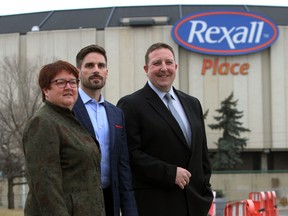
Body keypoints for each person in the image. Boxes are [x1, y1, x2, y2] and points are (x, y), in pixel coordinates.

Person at [117, 42, 213, 216]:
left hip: (194, 205)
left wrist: (205, 191)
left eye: (168, 63)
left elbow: (202, 154)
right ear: (146, 69)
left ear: (175, 67)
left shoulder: (192, 104)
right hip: (156, 204)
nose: (164, 68)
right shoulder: (131, 104)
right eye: (156, 63)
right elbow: (130, 154)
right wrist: (170, 173)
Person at [22, 60, 105, 216]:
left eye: (73, 82)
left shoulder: (69, 120)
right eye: (61, 82)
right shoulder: (43, 122)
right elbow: (46, 186)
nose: (68, 87)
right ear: (46, 89)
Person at [73, 44, 138, 216]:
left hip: (110, 200)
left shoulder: (117, 114)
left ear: (106, 72)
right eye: (89, 65)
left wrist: (130, 211)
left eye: (101, 66)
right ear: (78, 71)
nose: (96, 70)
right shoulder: (68, 109)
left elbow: (123, 167)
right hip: (77, 204)